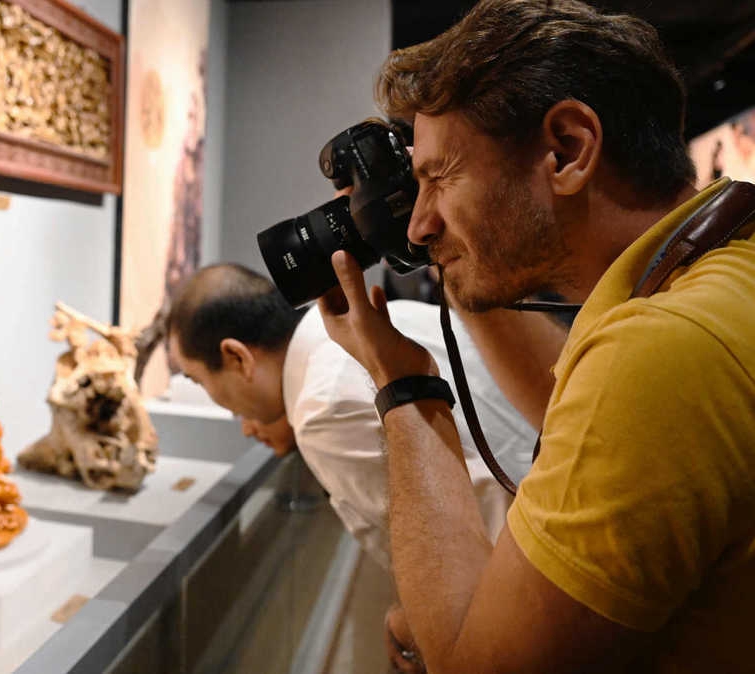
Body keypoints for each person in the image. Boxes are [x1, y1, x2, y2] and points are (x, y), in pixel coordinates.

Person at [318, 1, 755, 671]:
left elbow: (474, 666)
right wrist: (464, 275)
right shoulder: (715, 276)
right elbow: (578, 425)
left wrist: (401, 383)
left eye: (438, 177)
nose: (415, 226)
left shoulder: (662, 350)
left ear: (567, 150)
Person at [166, 263, 535, 570]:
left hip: (535, 577)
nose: (219, 404)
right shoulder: (383, 318)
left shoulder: (322, 410)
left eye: (199, 381)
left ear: (237, 357)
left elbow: (449, 552)